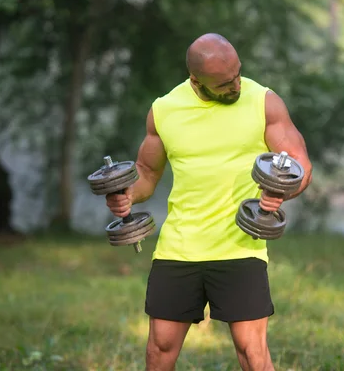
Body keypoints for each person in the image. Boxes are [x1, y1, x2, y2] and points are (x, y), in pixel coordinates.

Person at [106, 33, 313, 371]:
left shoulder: (264, 102)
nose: (236, 86)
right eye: (224, 83)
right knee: (159, 350)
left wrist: (281, 192)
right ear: (195, 80)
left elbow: (301, 166)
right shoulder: (165, 110)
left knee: (252, 353)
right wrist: (126, 194)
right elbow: (145, 173)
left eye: (237, 74)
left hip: (240, 247)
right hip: (179, 248)